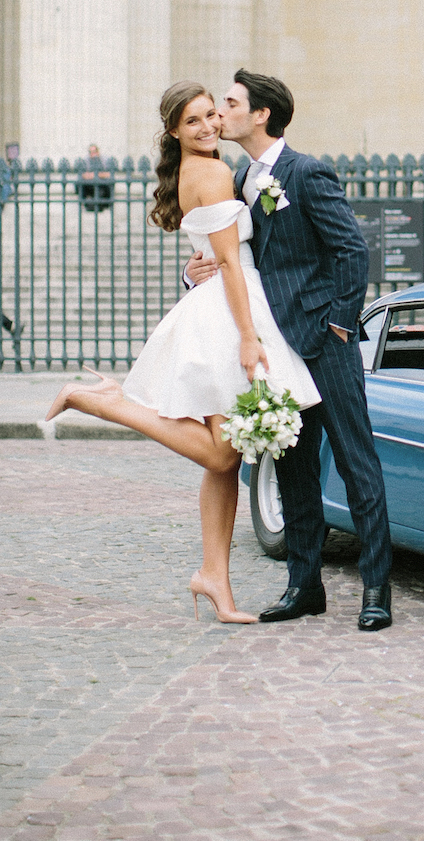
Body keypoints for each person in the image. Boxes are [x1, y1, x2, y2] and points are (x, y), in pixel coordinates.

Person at [45, 81, 322, 623]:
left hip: (219, 301)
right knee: (223, 453)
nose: (208, 127)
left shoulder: (206, 168)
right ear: (174, 131)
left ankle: (214, 577)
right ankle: (104, 401)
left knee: (225, 462)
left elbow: (215, 254)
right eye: (193, 122)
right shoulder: (214, 172)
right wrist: (247, 337)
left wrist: (201, 272)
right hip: (227, 316)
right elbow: (232, 264)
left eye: (211, 116)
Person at [186, 70, 393, 632]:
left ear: (260, 116)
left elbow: (352, 251)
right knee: (292, 469)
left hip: (325, 347)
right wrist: (195, 273)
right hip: (274, 351)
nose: (218, 114)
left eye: (228, 104)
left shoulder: (305, 172)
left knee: (356, 464)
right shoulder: (239, 178)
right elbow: (236, 261)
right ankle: (304, 586)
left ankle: (376, 589)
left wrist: (340, 327)